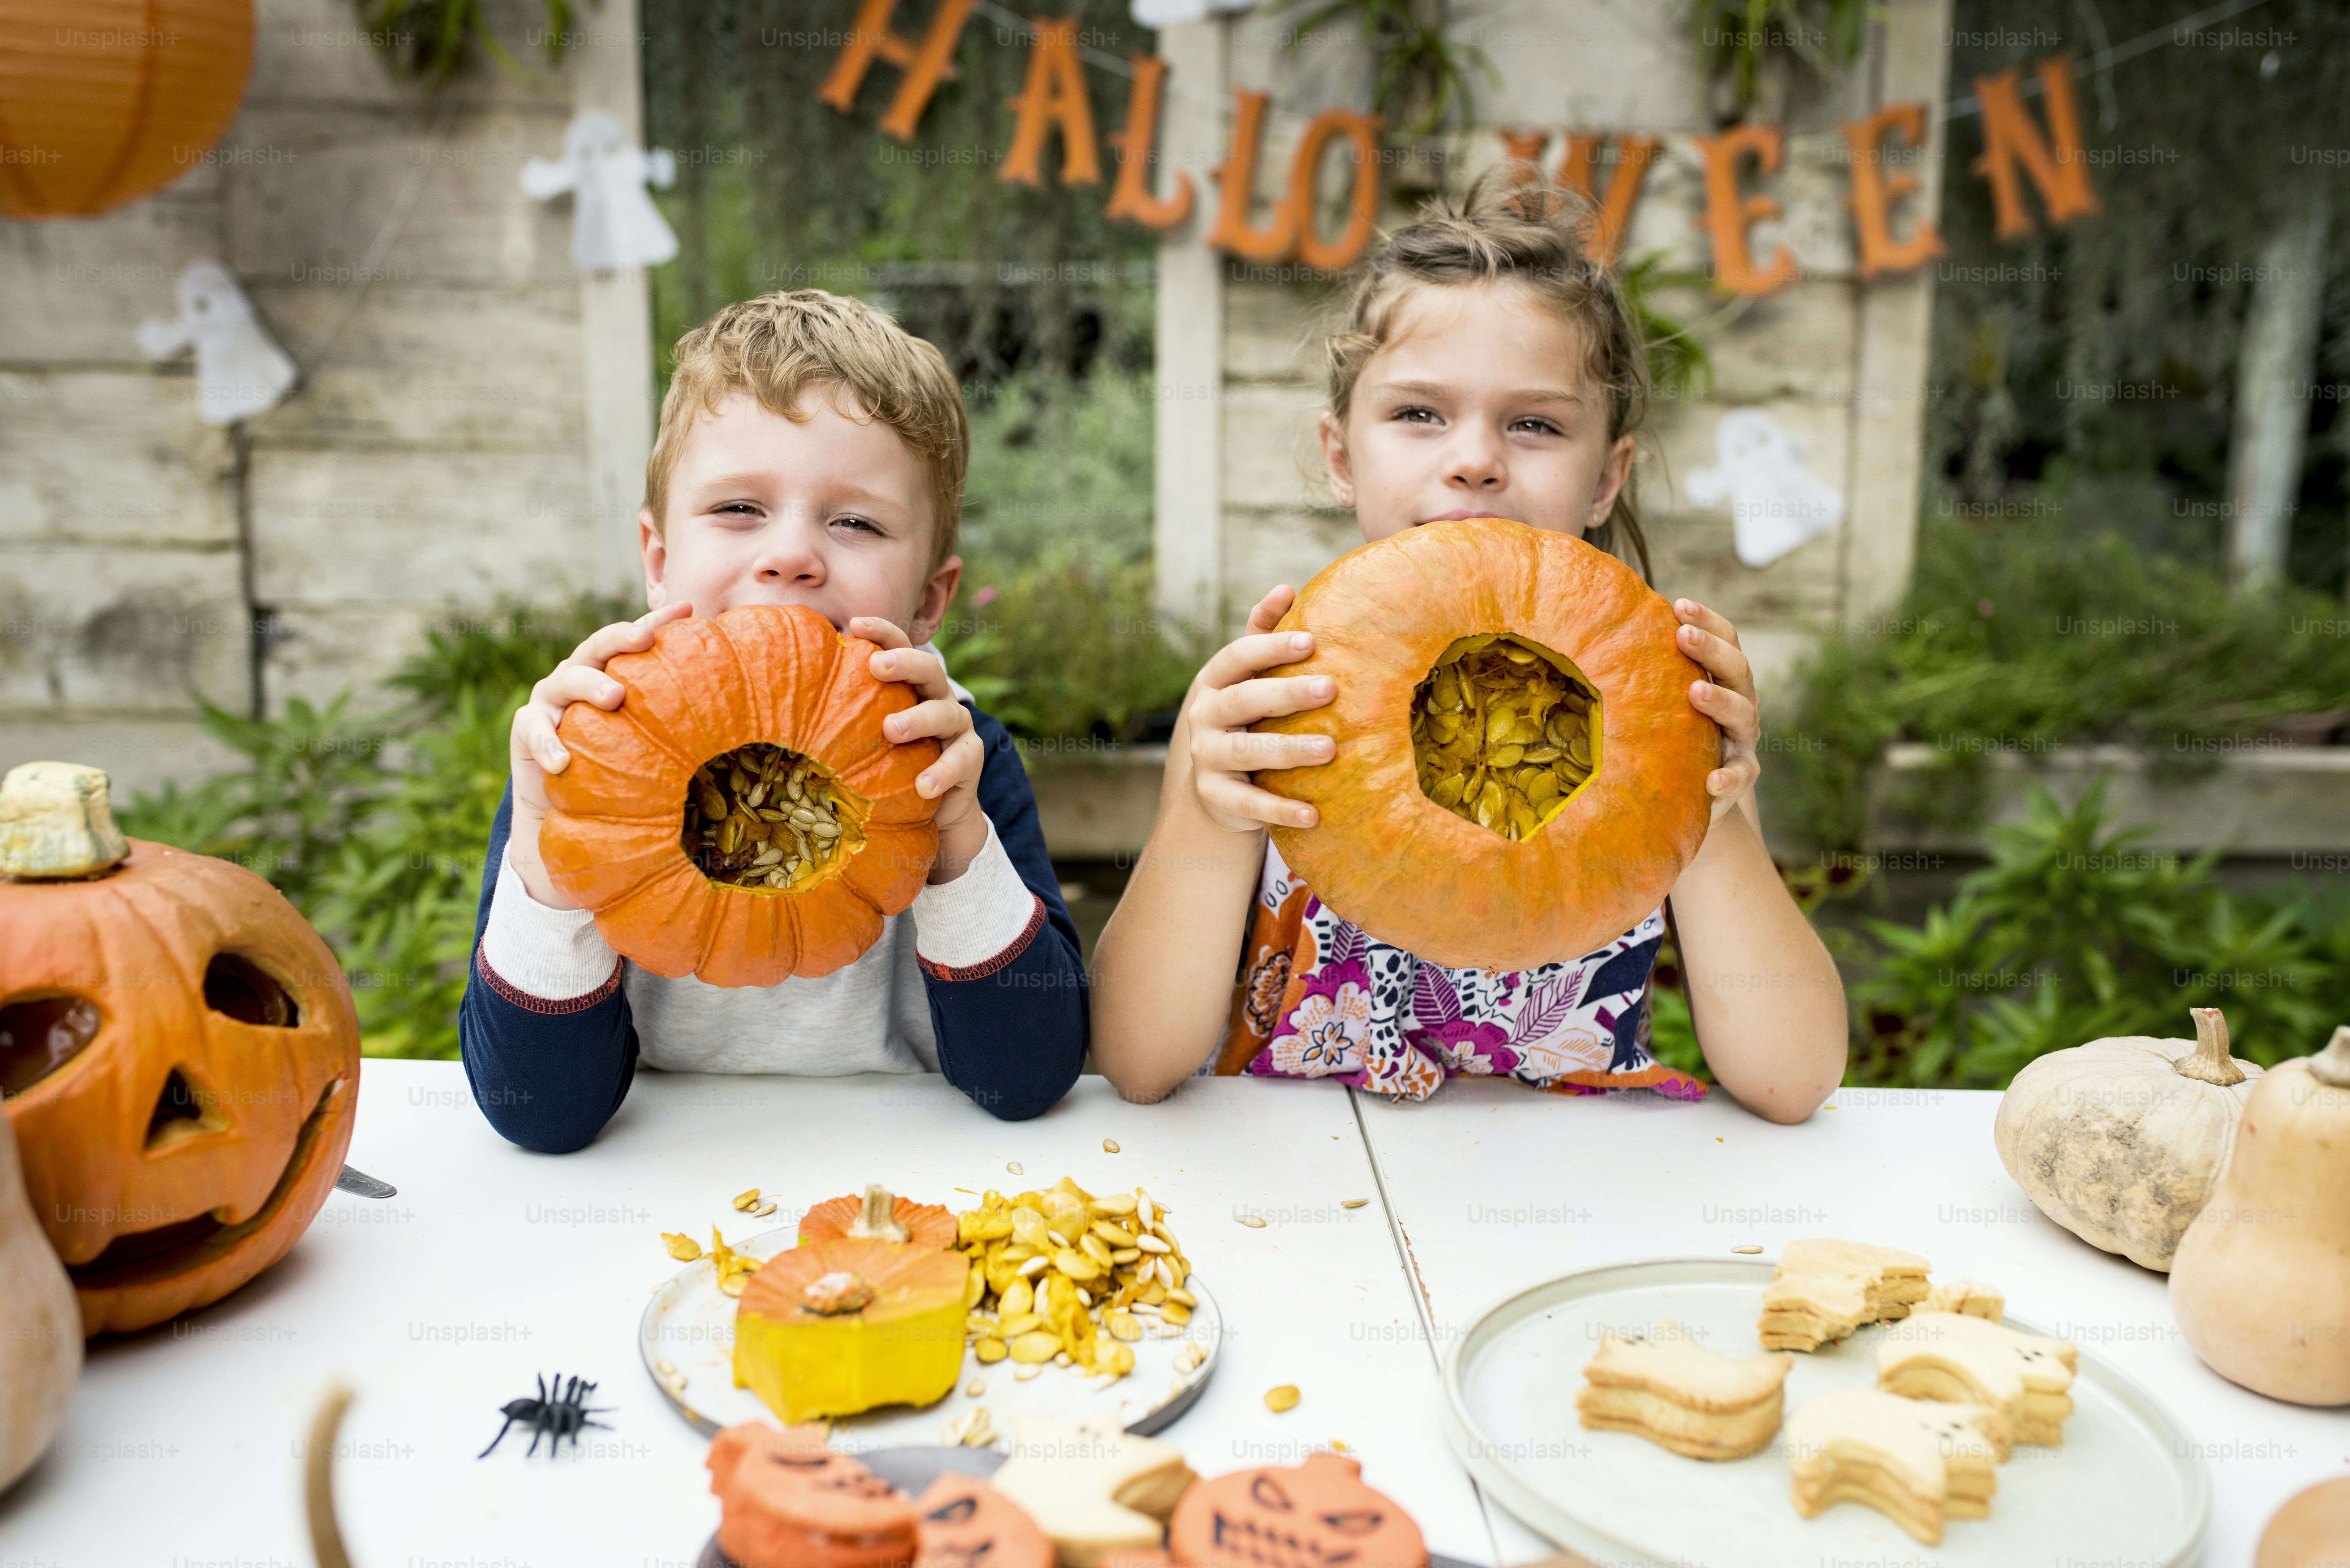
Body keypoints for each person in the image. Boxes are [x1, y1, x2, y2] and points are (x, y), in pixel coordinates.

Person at [1091, 171, 1846, 1120]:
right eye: (1419, 414)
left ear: (1607, 476)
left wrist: (1715, 813)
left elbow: (1795, 1079)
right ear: (1340, 454)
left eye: (1534, 424)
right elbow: (1137, 1061)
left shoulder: (1666, 707)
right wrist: (1208, 813)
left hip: (1570, 1202)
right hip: (1299, 1187)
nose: (1476, 457)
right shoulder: (1267, 702)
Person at [459, 290, 1085, 1150]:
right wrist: (545, 846)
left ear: (930, 599)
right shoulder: (582, 752)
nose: (790, 555)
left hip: (905, 1178)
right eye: (737, 510)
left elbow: (1026, 1083)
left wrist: (956, 841)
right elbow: (538, 1113)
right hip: (656, 1189)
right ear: (658, 559)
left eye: (856, 521)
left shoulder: (956, 755)